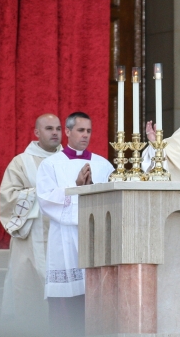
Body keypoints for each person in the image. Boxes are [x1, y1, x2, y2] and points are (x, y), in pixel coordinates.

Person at [36, 112, 114, 336]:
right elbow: (45, 199)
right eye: (80, 130)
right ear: (67, 132)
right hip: (64, 241)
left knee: (95, 302)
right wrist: (76, 185)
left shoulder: (102, 165)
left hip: (94, 241)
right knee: (66, 306)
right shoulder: (51, 165)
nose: (85, 135)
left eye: (89, 131)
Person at [0, 114, 62, 336]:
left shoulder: (68, 159)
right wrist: (40, 195)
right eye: (48, 128)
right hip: (30, 241)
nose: (55, 132)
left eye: (58, 128)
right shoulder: (21, 162)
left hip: (61, 239)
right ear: (37, 133)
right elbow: (7, 197)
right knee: (29, 297)